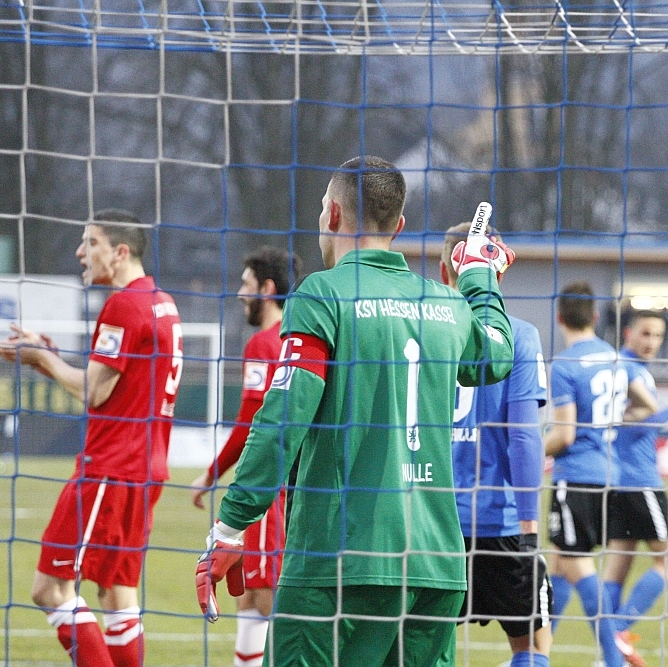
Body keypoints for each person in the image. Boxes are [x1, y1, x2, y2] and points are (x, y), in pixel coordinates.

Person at [193, 156, 515, 667]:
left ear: (333, 216)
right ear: (400, 227)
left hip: (338, 562)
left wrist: (231, 526)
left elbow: (283, 418)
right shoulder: (447, 304)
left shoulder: (323, 294)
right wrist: (478, 276)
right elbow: (497, 354)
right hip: (435, 567)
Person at [0, 210, 182, 667]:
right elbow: (120, 380)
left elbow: (95, 391)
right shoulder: (162, 301)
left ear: (120, 252)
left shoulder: (123, 304)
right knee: (118, 596)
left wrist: (41, 360)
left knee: (50, 589)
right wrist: (54, 355)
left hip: (111, 469)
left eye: (90, 242)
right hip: (147, 468)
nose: (81, 252)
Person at [440, 222, 552, 667]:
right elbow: (524, 435)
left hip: (431, 525)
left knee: (424, 646)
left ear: (445, 267)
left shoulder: (421, 330)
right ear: (499, 271)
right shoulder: (520, 336)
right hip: (500, 524)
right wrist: (529, 529)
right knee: (532, 649)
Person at [189, 246, 301, 667]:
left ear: (267, 290)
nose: (239, 293)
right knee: (252, 595)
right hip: (297, 481)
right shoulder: (301, 338)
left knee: (267, 592)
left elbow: (248, 425)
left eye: (246, 285)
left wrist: (210, 474)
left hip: (270, 489)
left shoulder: (264, 344)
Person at [545, 281, 657, 667]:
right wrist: (613, 421)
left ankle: (614, 659)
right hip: (608, 476)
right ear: (595, 316)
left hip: (575, 476)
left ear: (559, 317)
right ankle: (535, 654)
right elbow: (648, 404)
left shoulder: (565, 364)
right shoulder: (613, 356)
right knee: (559, 564)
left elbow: (564, 435)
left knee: (577, 566)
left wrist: (524, 450)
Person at [602, 309, 668, 655]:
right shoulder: (629, 370)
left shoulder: (620, 368)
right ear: (628, 334)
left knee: (617, 566)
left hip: (617, 479)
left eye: (659, 336)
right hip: (639, 480)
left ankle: (606, 654)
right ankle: (618, 631)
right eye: (646, 334)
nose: (652, 342)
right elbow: (633, 426)